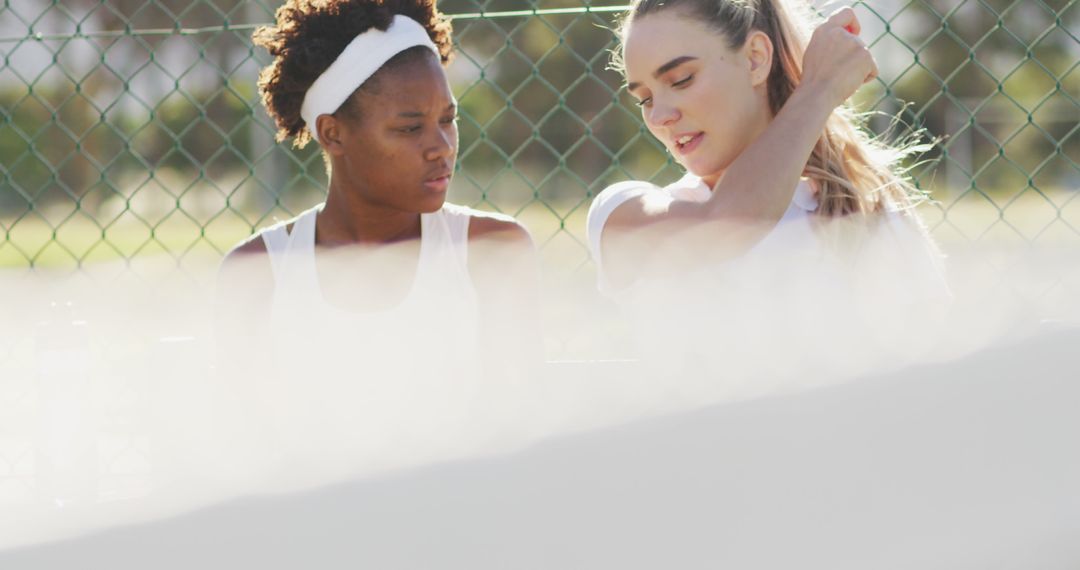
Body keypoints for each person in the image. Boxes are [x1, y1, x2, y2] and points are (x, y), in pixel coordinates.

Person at [212, 0, 539, 483]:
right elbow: (244, 455)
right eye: (409, 128)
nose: (442, 146)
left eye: (448, 120)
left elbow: (516, 441)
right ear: (332, 133)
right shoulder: (258, 272)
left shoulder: (493, 251)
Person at [586, 0, 949, 378]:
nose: (659, 116)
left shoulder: (867, 214)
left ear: (756, 59)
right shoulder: (622, 214)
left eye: (681, 80)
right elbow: (729, 224)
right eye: (644, 99)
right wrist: (820, 89)